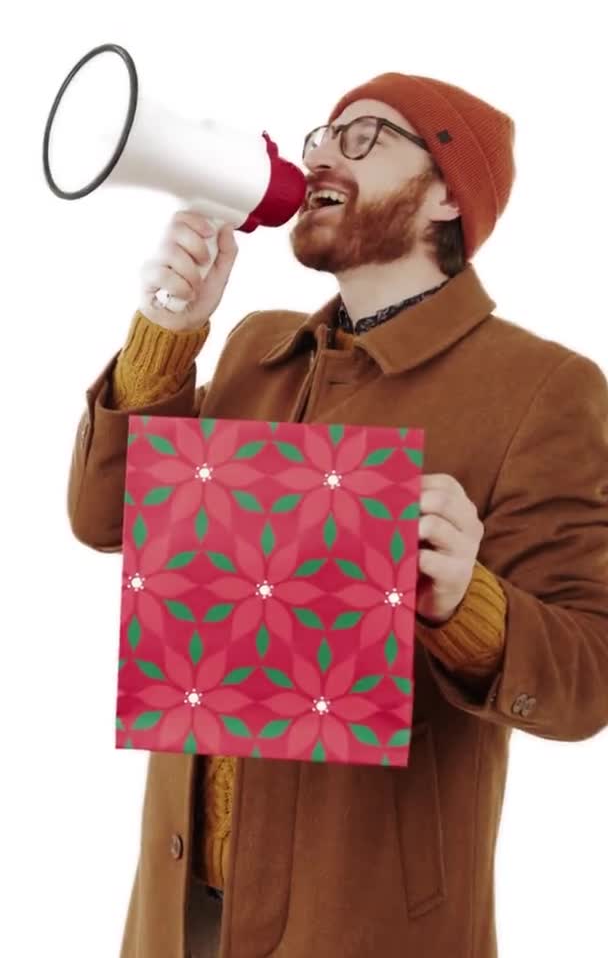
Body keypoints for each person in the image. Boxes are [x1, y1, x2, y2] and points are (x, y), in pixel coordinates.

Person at [67, 73, 608, 958]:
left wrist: (464, 601)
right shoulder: (256, 348)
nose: (320, 151)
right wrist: (165, 332)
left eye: (365, 137)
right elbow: (102, 520)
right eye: (325, 133)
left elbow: (589, 677)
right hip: (180, 919)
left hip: (366, 924)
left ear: (445, 193)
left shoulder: (543, 388)